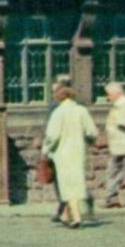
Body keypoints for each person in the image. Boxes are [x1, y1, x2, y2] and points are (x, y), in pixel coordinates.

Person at [43, 83, 98, 229]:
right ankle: (65, 215)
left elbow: (52, 136)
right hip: (79, 151)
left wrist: (45, 150)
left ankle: (77, 217)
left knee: (67, 185)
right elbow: (92, 131)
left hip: (62, 153)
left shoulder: (58, 113)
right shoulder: (82, 111)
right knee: (77, 182)